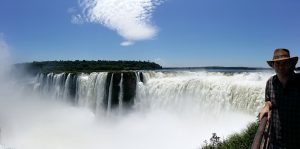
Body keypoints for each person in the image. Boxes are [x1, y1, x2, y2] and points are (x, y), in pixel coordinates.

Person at [259, 48, 300, 149]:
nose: (281, 66)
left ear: (290, 64)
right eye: (277, 63)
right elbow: (268, 99)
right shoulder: (270, 83)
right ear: (273, 66)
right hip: (275, 142)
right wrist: (267, 106)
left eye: (284, 63)